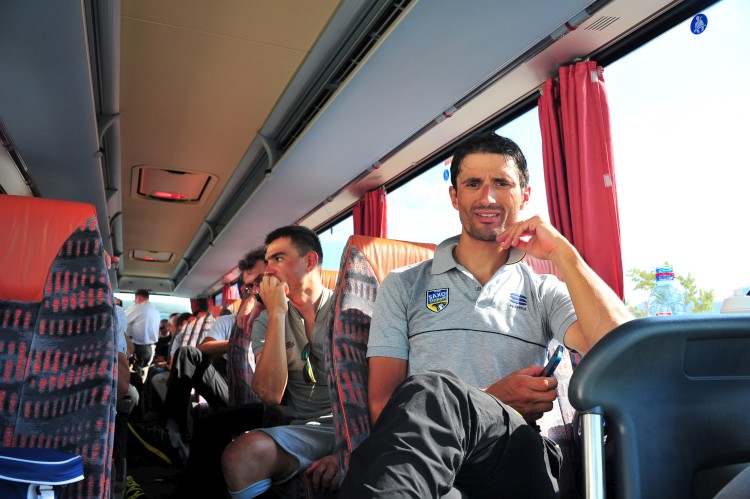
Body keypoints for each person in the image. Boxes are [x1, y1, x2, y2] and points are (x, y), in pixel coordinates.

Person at [339, 132, 632, 498]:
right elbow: (383, 406)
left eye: (502, 183)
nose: (487, 197)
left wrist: (563, 253)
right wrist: (492, 396)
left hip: (515, 454)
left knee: (434, 391)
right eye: (473, 183)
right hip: (428, 463)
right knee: (431, 396)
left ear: (524, 195)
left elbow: (625, 350)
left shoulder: (544, 291)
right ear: (454, 196)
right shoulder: (402, 285)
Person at [221, 226, 339, 499]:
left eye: (278, 258)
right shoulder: (266, 319)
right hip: (302, 428)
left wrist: (350, 449)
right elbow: (269, 393)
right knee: (240, 456)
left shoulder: (350, 311)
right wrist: (276, 313)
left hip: (350, 426)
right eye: (268, 261)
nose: (269, 270)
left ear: (310, 261)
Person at [159, 247, 267, 438]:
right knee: (187, 354)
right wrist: (237, 341)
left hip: (267, 400)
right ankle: (171, 432)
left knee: (207, 427)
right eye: (249, 287)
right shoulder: (228, 321)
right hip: (231, 392)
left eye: (260, 281)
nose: (255, 291)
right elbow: (203, 349)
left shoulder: (283, 319)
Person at [125, 289, 161, 382]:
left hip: (138, 346)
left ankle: (134, 389)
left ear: (139, 297)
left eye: (135, 300)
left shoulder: (138, 308)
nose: (135, 302)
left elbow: (122, 320)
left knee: (134, 374)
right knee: (144, 374)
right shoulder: (155, 310)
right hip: (150, 348)